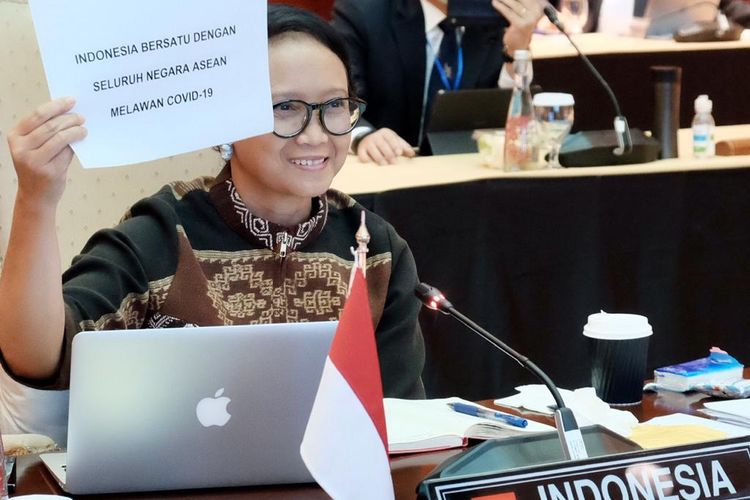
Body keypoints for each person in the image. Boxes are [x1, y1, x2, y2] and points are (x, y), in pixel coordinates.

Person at [0, 5, 425, 399]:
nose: (316, 134)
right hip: (174, 480)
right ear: (225, 120)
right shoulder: (164, 235)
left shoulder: (374, 249)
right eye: (285, 108)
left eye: (334, 105)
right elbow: (38, 358)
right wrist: (36, 200)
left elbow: (400, 419)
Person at [331, 0, 544, 165]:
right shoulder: (364, 12)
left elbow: (505, 117)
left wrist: (517, 51)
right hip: (390, 168)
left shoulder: (496, 17)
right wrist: (363, 136)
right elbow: (338, 99)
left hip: (466, 171)